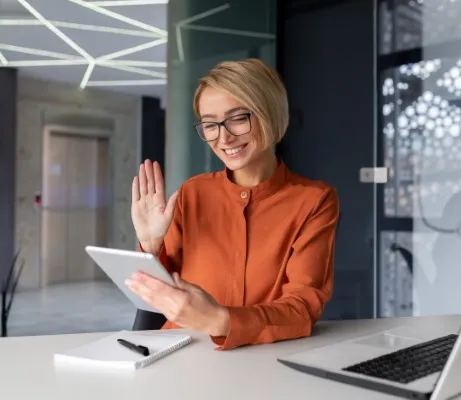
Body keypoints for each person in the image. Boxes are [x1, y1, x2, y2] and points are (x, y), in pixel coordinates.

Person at [127, 58, 340, 350]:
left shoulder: (314, 201)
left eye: (238, 118)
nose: (223, 137)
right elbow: (155, 294)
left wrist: (219, 320)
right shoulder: (192, 193)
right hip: (177, 353)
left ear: (269, 112)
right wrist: (151, 245)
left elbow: (302, 308)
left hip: (261, 361)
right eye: (210, 125)